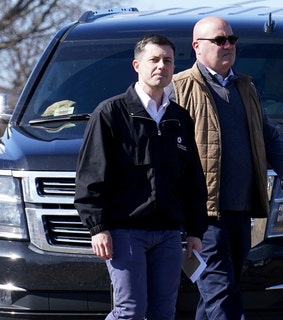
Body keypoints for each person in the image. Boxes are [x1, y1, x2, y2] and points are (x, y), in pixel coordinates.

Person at [171, 16, 283, 320]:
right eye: (219, 41)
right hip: (203, 216)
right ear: (197, 47)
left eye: (232, 39)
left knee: (218, 295)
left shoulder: (245, 86)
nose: (228, 45)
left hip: (241, 211)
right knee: (222, 296)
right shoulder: (179, 88)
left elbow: (268, 135)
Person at [74, 33, 208, 320]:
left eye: (168, 60)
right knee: (130, 311)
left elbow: (192, 180)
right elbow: (90, 177)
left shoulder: (180, 118)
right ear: (137, 65)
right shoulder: (111, 114)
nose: (161, 65)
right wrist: (98, 227)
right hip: (125, 232)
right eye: (154, 59)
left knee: (162, 313)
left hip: (169, 235)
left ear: (174, 68)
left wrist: (196, 231)